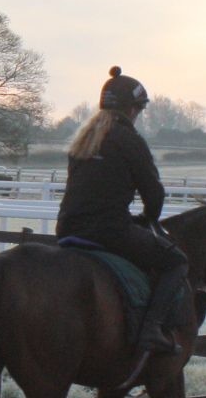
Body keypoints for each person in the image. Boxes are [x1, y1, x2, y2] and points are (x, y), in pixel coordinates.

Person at [55, 67, 190, 353]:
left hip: (67, 229)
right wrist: (149, 217)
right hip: (109, 232)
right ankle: (152, 330)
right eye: (139, 110)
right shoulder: (128, 139)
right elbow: (153, 191)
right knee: (176, 261)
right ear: (131, 109)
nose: (138, 116)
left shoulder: (82, 139)